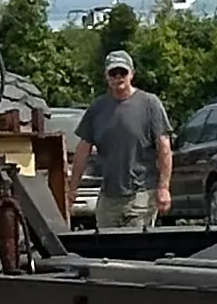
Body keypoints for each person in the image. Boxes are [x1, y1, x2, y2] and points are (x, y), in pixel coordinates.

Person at [73, 49, 172, 236]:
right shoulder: (97, 109)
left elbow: (164, 147)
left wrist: (164, 188)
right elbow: (82, 151)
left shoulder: (150, 104)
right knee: (107, 250)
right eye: (113, 73)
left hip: (141, 194)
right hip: (108, 196)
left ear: (131, 74)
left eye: (122, 72)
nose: (118, 77)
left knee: (134, 248)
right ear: (106, 76)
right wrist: (72, 190)